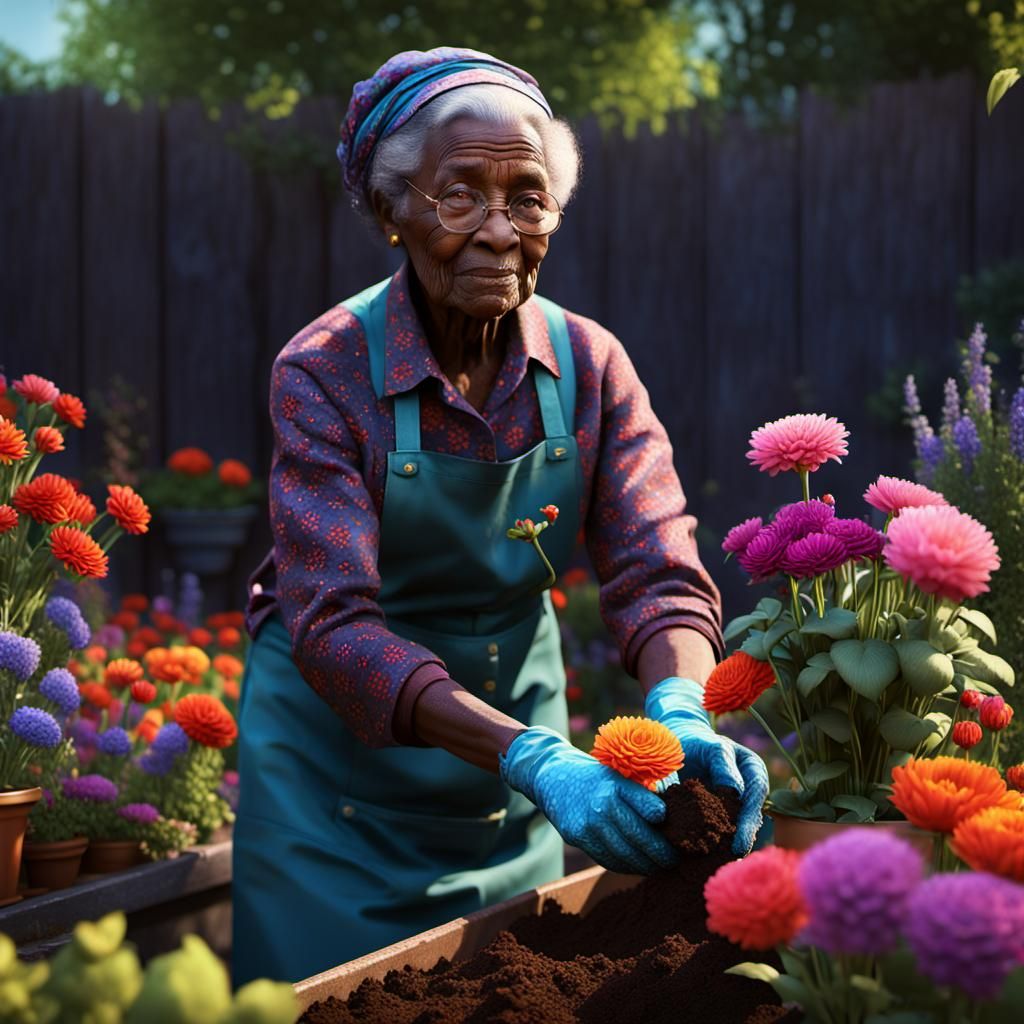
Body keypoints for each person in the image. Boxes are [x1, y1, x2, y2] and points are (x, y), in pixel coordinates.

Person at [232, 46, 768, 986]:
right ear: (393, 211)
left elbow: (658, 570)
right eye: (458, 196)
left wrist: (683, 706)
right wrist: (531, 757)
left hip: (508, 782)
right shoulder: (323, 371)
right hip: (333, 792)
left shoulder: (590, 365)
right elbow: (334, 624)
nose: (497, 231)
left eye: (527, 197)